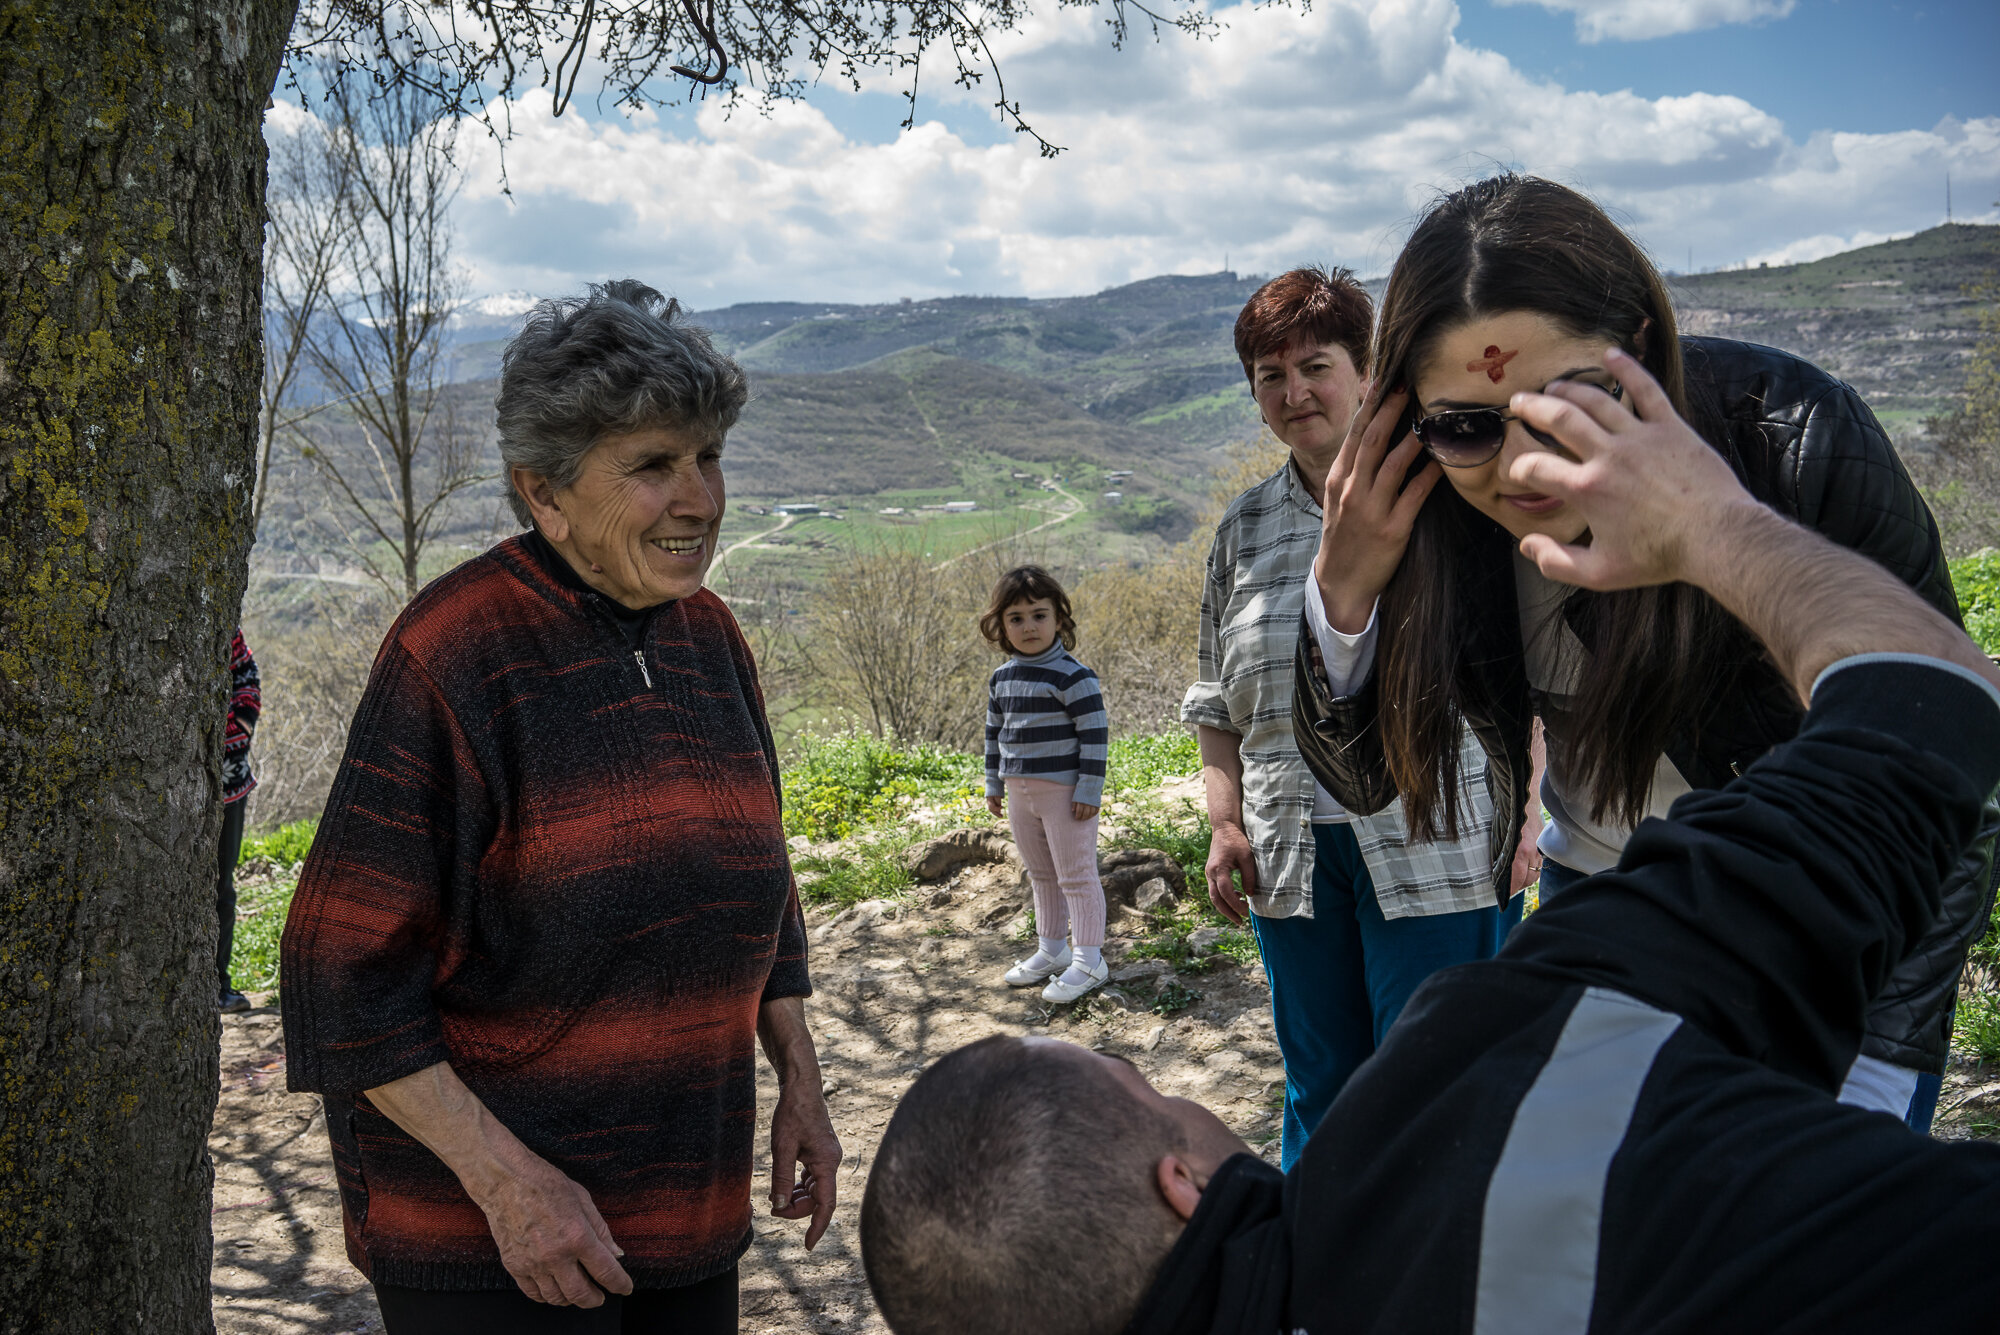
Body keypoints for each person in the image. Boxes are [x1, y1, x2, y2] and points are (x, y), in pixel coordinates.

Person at [858, 341, 2000, 1335]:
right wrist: (1714, 526)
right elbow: (1925, 710)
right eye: (1141, 1081)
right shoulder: (1473, 1092)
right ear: (1183, 1184)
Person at [1290, 174, 1993, 1132]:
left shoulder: (1794, 439)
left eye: (1571, 404)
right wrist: (1344, 594)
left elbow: (1951, 774)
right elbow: (1366, 777)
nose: (1522, 465)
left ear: (1645, 351)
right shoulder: (1434, 514)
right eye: (1466, 424)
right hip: (1597, 900)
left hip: (1813, 922)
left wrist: (1880, 1058)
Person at [280, 280, 840, 1334]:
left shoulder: (709, 639)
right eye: (650, 468)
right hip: (496, 1243)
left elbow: (761, 891)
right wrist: (508, 1186)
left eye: (707, 456)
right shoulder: (457, 653)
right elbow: (340, 978)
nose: (700, 498)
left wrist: (799, 1083)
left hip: (688, 1206)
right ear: (543, 493)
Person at [1183, 267, 1532, 1168]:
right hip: (1293, 855)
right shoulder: (1244, 531)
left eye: (1314, 365)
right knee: (1322, 1081)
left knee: (1441, 1080)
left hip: (1440, 839)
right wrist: (1224, 822)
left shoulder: (1453, 495)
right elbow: (1218, 703)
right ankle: (1323, 1274)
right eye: (1270, 375)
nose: (1294, 391)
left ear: (1367, 370)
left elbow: (1526, 666)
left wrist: (1532, 808)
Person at [982, 566, 1113, 1003]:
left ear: (1059, 618)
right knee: (1040, 874)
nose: (1028, 626)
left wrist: (1088, 791)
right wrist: (993, 783)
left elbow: (1095, 736)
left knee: (1075, 875)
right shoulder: (1002, 678)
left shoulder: (1074, 677)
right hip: (1019, 791)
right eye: (1016, 618)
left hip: (1065, 795)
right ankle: (1052, 949)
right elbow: (994, 733)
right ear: (1001, 625)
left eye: (1039, 615)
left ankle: (1090, 959)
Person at [217, 626, 260, 1013]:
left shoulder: (223, 625)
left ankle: (219, 984)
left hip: (229, 780)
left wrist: (233, 729)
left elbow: (247, 675)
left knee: (221, 888)